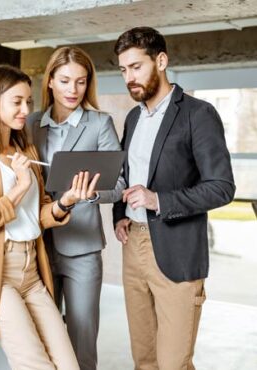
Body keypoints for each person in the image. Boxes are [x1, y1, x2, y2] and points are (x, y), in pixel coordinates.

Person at [0, 64, 99, 370]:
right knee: (36, 365)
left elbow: (39, 214)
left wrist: (65, 202)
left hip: (31, 273)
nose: (25, 109)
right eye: (16, 101)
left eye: (28, 101)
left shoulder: (25, 149)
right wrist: (19, 188)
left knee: (70, 366)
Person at [112, 27, 235, 369]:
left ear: (161, 61)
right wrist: (119, 213)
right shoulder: (134, 118)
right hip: (132, 249)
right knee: (144, 359)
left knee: (173, 363)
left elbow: (222, 186)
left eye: (136, 67)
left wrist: (158, 201)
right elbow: (130, 175)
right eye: (123, 70)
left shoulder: (198, 114)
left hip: (177, 251)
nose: (129, 78)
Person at [27, 46, 125, 370]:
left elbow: (120, 186)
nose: (73, 90)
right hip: (38, 244)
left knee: (81, 342)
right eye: (65, 80)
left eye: (81, 82)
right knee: (41, 340)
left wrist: (90, 194)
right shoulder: (29, 125)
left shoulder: (99, 123)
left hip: (82, 249)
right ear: (50, 81)